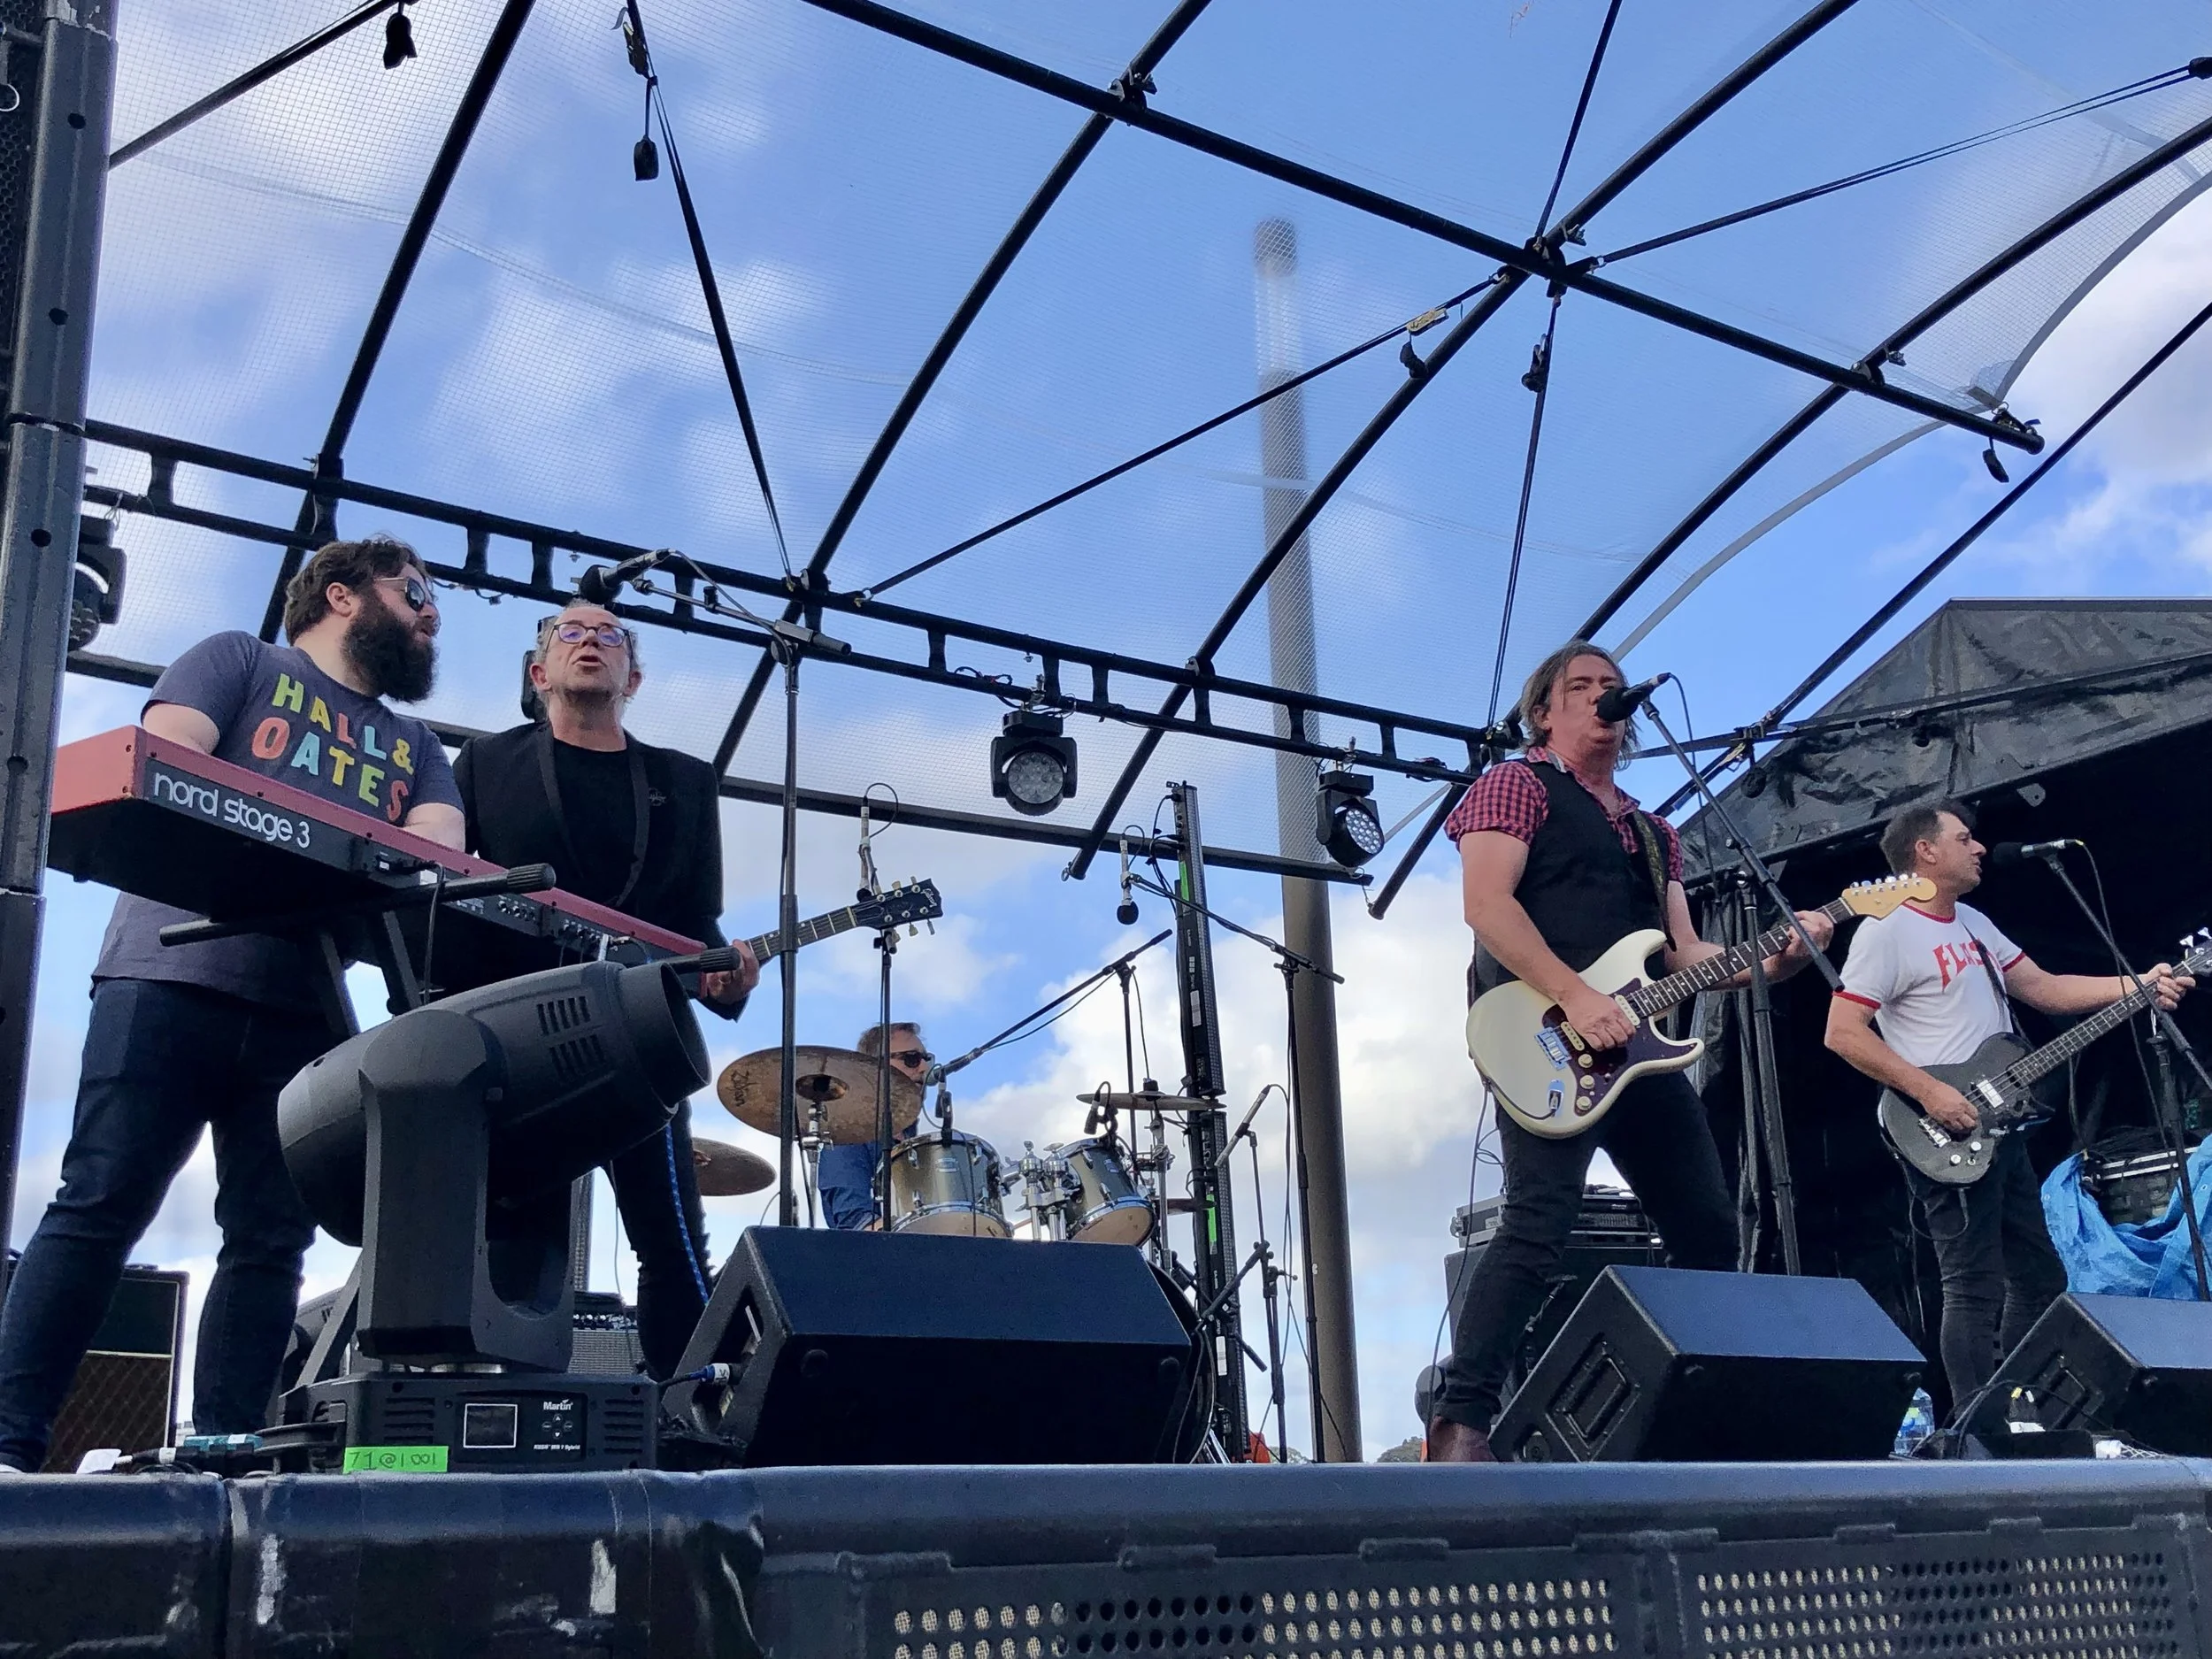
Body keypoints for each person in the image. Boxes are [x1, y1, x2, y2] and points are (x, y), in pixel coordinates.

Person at [0, 536, 464, 1474]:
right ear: (341, 593)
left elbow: (440, 855)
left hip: (306, 1013)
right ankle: (9, 1447)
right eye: (413, 591)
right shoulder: (240, 660)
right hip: (169, 975)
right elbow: (169, 761)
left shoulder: (416, 745)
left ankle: (223, 1455)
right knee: (100, 1203)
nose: (430, 613)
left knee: (268, 1238)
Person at [1425, 640, 1836, 1463]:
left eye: (1612, 688)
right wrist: (1577, 996)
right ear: (1544, 710)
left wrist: (1770, 959)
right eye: (1580, 688)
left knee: (1708, 1227)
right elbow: (1485, 905)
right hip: (1541, 1031)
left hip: (1637, 1044)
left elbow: (1685, 956)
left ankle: (1691, 1411)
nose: (1602, 698)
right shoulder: (1514, 783)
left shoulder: (1655, 834)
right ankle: (1462, 1425)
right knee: (1541, 1223)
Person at [451, 599, 758, 1379]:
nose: (591, 642)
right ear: (538, 670)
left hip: (636, 1042)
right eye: (570, 633)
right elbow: (447, 905)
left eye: (610, 635)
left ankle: (691, 1420)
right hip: (518, 1042)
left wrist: (728, 980)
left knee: (672, 1246)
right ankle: (515, 1429)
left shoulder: (684, 782)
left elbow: (697, 924)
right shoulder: (485, 764)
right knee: (523, 1242)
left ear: (635, 677)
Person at [1824, 799, 2188, 1415]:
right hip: (1941, 1127)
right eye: (1964, 838)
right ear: (1925, 852)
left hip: (2000, 1125)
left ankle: (2013, 1404)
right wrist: (1930, 1090)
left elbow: (2042, 988)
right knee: (1971, 1284)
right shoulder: (1885, 931)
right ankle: (1974, 1428)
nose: (1980, 847)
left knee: (2040, 1275)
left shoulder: (1974, 923)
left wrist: (2140, 985)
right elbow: (1843, 1031)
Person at [817, 1023, 932, 1231]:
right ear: (875, 1069)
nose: (924, 1069)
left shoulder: (920, 1145)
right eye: (911, 1059)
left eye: (926, 1059)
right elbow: (856, 1225)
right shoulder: (848, 1137)